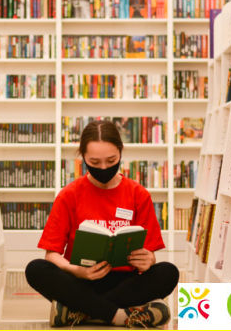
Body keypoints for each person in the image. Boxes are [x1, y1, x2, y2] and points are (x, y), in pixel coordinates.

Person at [25, 120, 179, 328]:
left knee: (168, 272)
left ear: (121, 151)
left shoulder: (138, 194)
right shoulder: (69, 195)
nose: (104, 167)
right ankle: (120, 315)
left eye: (111, 160)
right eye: (95, 162)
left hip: (125, 283)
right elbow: (51, 255)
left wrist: (149, 260)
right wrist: (77, 271)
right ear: (83, 156)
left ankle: (80, 311)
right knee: (36, 269)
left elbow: (149, 253)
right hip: (80, 282)